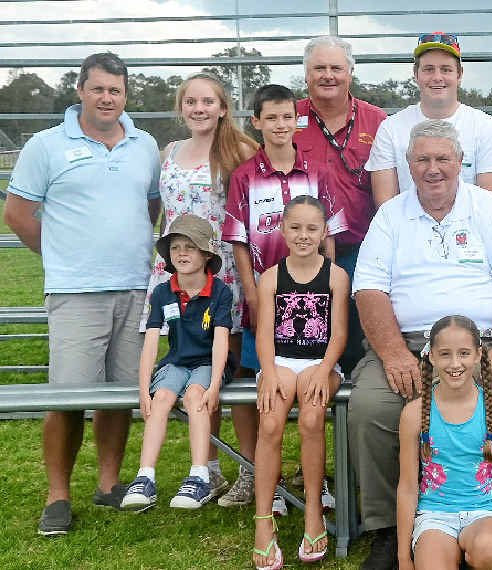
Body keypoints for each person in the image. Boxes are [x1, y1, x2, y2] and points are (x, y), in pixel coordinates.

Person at [350, 119, 492, 570]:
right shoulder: (390, 216)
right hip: (410, 343)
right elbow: (369, 290)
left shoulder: (488, 208)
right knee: (371, 407)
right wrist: (393, 353)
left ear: (461, 162)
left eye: (442, 158)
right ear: (408, 164)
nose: (433, 168)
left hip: (484, 343)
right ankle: (390, 530)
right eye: (422, 159)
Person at [4, 52, 161, 535]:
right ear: (80, 91)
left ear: (126, 94)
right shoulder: (46, 146)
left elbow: (151, 207)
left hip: (135, 287)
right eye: (98, 89)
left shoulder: (145, 145)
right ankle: (58, 496)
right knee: (68, 397)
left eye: (115, 90)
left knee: (119, 394)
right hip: (75, 292)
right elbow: (17, 214)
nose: (107, 98)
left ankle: (109, 483)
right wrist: (63, 256)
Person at [222, 84, 346, 514]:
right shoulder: (244, 176)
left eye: (287, 117)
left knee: (314, 404)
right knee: (270, 395)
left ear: (298, 120)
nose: (280, 125)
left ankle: (316, 480)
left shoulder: (318, 171)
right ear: (256, 122)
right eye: (271, 117)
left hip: (313, 305)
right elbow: (238, 240)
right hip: (267, 296)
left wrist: (328, 284)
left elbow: (330, 234)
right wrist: (253, 294)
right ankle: (269, 485)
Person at [141, 71, 259, 499]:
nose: (199, 108)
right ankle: (207, 470)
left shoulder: (240, 150)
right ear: (181, 107)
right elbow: (160, 211)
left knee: (235, 372)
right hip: (177, 276)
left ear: (223, 107)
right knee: (193, 366)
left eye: (208, 101)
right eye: (191, 101)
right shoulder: (169, 151)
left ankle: (250, 470)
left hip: (223, 273)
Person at [251, 196, 349, 569]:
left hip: (320, 362)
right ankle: (263, 521)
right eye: (295, 227)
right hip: (280, 362)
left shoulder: (336, 276)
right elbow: (264, 333)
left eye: (312, 228)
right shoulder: (271, 277)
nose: (303, 235)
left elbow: (338, 333)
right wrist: (268, 370)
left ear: (324, 232)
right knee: (270, 423)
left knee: (311, 419)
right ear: (282, 229)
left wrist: (324, 370)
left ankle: (313, 511)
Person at [396, 315, 492, 570]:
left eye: (464, 353)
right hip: (434, 516)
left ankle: (477, 555)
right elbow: (407, 487)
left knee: (488, 552)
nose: (455, 363)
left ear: (479, 354)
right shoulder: (413, 414)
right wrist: (404, 559)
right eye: (445, 354)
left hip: (483, 513)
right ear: (431, 357)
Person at [121, 215, 234, 511]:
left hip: (208, 363)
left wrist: (215, 385)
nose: (181, 253)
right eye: (175, 247)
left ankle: (199, 476)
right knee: (160, 399)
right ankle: (145, 477)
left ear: (206, 254)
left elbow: (221, 341)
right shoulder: (162, 292)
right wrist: (143, 390)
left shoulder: (220, 291)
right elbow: (151, 343)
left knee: (195, 397)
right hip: (177, 362)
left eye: (190, 247)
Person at [294, 35, 387, 375]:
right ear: (307, 75)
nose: (328, 75)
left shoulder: (377, 121)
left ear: (350, 73)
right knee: (310, 334)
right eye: (319, 68)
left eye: (336, 68)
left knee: (364, 336)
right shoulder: (288, 117)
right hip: (306, 250)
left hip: (364, 247)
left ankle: (361, 394)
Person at [366, 32, 492, 206]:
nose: (437, 77)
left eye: (446, 69)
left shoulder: (485, 126)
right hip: (407, 223)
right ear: (416, 74)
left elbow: (490, 205)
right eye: (428, 69)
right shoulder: (390, 128)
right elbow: (386, 206)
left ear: (459, 75)